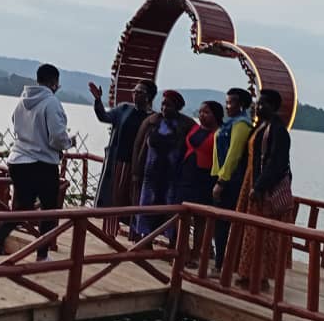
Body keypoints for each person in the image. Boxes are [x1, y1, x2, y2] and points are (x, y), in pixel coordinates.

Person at [0, 64, 76, 263]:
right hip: (42, 163)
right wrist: (70, 142)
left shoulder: (22, 101)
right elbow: (57, 137)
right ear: (54, 82)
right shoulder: (51, 103)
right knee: (49, 210)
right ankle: (42, 255)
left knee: (22, 207)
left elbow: (16, 124)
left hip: (18, 160)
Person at [234, 89, 294, 291]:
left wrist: (259, 186)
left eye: (263, 104)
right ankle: (246, 273)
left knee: (263, 234)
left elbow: (277, 163)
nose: (258, 107)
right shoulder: (261, 127)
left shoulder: (278, 131)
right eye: (258, 103)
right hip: (251, 181)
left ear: (274, 107)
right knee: (249, 231)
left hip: (263, 188)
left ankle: (260, 277)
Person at [89, 79, 156, 235]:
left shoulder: (154, 118)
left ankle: (136, 234)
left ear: (148, 97)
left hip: (139, 166)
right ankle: (109, 234)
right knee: (114, 198)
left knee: (135, 199)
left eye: (139, 92)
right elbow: (104, 117)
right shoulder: (124, 109)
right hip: (119, 161)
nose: (135, 94)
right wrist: (98, 100)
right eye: (134, 91)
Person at [132, 90, 195, 243]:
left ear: (177, 107)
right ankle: (145, 239)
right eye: (163, 104)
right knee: (147, 205)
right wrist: (136, 171)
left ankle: (173, 241)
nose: (165, 108)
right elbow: (138, 146)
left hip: (173, 176)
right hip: (151, 174)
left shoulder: (187, 125)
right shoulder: (151, 122)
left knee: (171, 207)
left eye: (169, 105)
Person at [210, 88, 254, 271]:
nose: (227, 106)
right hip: (219, 177)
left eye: (231, 102)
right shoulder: (229, 123)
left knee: (223, 223)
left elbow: (234, 155)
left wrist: (222, 181)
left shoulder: (242, 124)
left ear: (241, 105)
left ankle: (221, 264)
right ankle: (221, 261)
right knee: (217, 223)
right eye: (226, 102)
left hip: (231, 181)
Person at [178, 100, 224, 266]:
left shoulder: (220, 134)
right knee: (181, 214)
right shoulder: (195, 128)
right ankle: (183, 251)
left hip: (205, 177)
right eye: (200, 111)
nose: (202, 115)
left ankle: (196, 254)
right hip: (187, 174)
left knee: (200, 219)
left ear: (216, 115)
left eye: (206, 112)